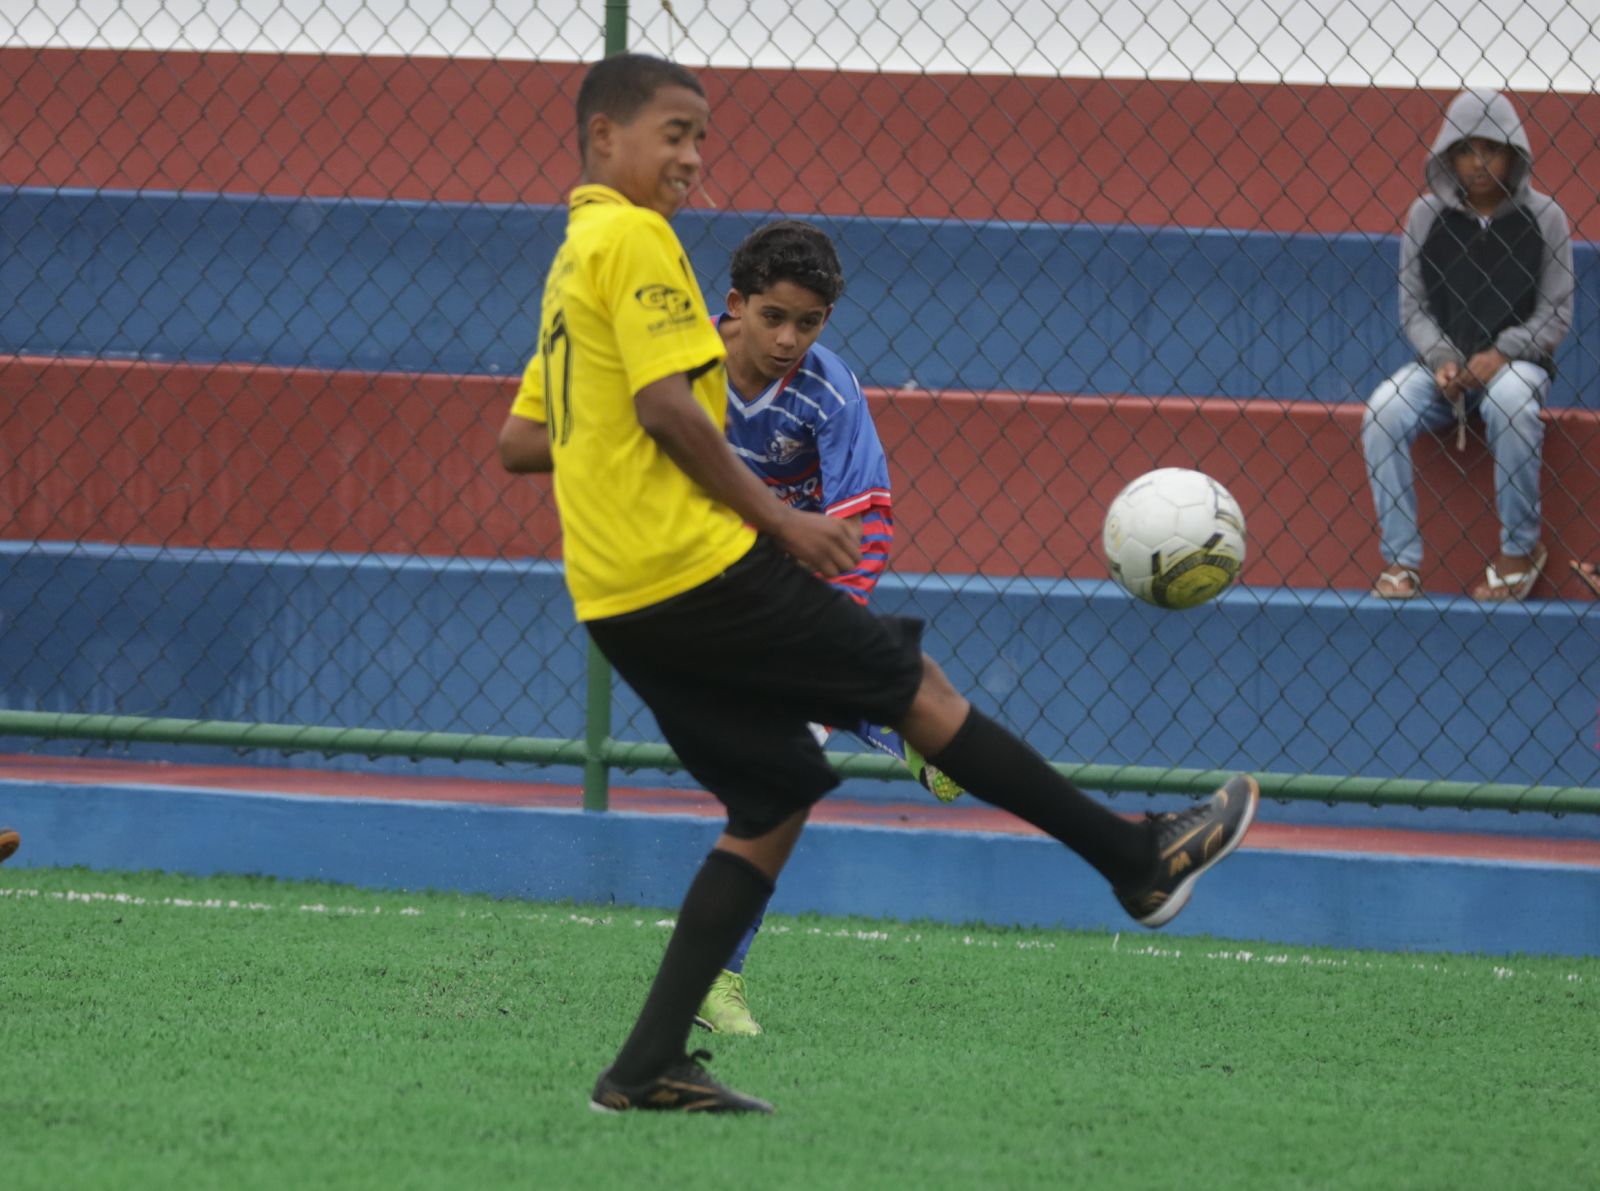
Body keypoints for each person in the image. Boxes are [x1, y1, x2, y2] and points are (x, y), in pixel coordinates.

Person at [498, 52, 1258, 1116]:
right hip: (697, 571)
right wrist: (779, 519)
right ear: (602, 141)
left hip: (617, 597)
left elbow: (524, 438)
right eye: (671, 132)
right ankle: (1134, 857)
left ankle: (644, 1068)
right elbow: (670, 410)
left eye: (699, 136)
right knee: (919, 691)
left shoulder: (574, 255)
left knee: (770, 799)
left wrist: (633, 452)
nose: (690, 156)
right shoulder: (634, 239)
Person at [503, 219, 965, 1036]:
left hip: (787, 587)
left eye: (810, 323)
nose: (790, 339)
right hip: (685, 575)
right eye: (774, 317)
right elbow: (550, 441)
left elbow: (867, 515)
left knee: (776, 780)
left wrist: (830, 627)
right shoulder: (678, 369)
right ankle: (892, 719)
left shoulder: (830, 391)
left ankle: (719, 981)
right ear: (734, 307)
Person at [1363, 89, 1574, 601]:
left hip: (1517, 366)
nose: (1479, 163)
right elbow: (1413, 307)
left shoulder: (1546, 218)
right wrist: (1442, 360)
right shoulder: (1425, 217)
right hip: (1445, 368)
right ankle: (1402, 561)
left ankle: (1519, 552)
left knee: (1508, 403)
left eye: (1492, 148)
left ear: (1514, 153)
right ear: (1447, 156)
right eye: (1465, 150)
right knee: (1382, 412)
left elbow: (1555, 312)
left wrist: (1503, 353)